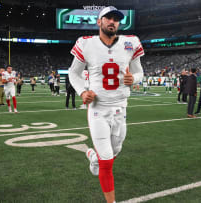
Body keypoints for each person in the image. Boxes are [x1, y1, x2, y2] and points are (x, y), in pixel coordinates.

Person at [68, 6, 144, 203]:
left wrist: (133, 79)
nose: (112, 22)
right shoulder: (86, 43)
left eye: (116, 19)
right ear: (99, 22)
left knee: (115, 150)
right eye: (108, 18)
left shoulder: (130, 42)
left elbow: (139, 72)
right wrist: (82, 92)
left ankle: (93, 156)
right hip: (98, 110)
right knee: (108, 161)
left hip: (121, 107)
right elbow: (73, 73)